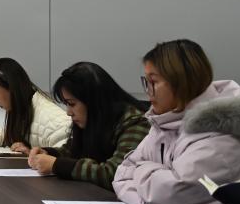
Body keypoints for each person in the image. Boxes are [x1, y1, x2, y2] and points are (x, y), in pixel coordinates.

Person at [113, 39, 240, 204]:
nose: (148, 91)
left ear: (180, 83)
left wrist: (142, 169)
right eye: (146, 82)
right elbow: (121, 175)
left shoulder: (221, 132)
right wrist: (150, 202)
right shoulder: (165, 122)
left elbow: (176, 196)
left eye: (153, 82)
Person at [27, 62, 150, 190]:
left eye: (72, 104)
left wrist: (56, 165)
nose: (68, 112)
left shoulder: (135, 123)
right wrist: (49, 153)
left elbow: (117, 174)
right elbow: (73, 151)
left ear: (93, 101)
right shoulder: (95, 120)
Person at [0, 58, 71, 152]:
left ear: (11, 88)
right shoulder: (25, 108)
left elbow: (67, 157)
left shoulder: (54, 121)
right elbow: (17, 137)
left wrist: (32, 154)